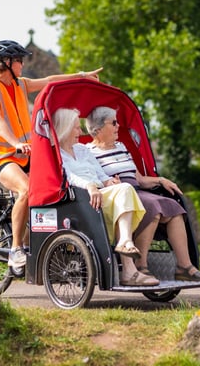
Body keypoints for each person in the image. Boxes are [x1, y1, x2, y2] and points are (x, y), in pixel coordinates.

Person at [0, 40, 102, 273]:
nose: (23, 64)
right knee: (25, 190)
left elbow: (49, 81)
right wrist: (16, 143)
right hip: (0, 157)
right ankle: (16, 249)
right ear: (7, 62)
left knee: (54, 182)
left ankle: (41, 241)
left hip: (24, 155)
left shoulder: (20, 85)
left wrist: (82, 76)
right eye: (19, 60)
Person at [85, 106, 200, 282]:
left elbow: (140, 179)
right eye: (113, 123)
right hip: (118, 197)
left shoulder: (121, 147)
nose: (118, 126)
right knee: (153, 206)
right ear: (97, 130)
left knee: (174, 208)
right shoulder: (89, 153)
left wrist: (161, 180)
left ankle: (184, 266)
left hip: (138, 191)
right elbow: (94, 181)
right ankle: (141, 266)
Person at [52, 107, 159, 286]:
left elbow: (100, 174)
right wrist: (90, 185)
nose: (81, 131)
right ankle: (127, 253)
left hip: (98, 194)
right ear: (64, 128)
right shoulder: (57, 154)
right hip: (81, 197)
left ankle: (126, 254)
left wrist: (109, 181)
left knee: (123, 188)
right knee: (125, 189)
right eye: (76, 128)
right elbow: (69, 177)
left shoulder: (82, 151)